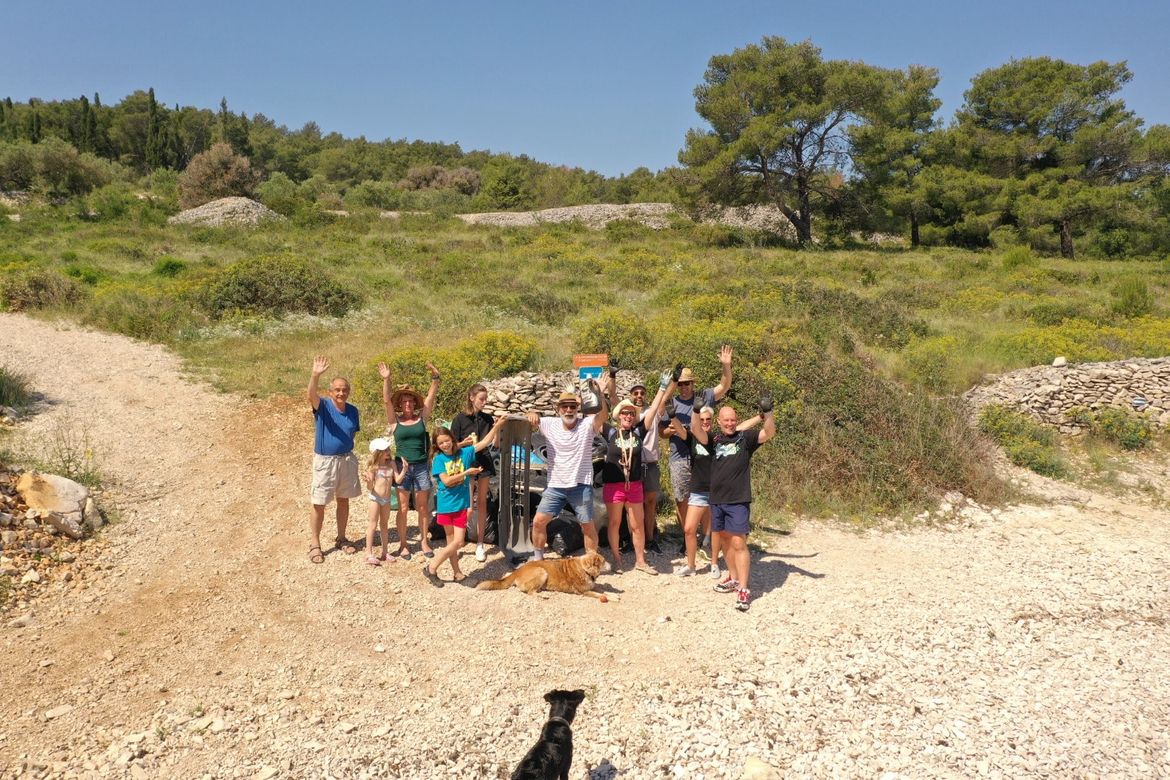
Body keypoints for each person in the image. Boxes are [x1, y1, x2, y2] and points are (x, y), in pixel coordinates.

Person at [525, 373, 611, 560]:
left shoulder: (587, 425)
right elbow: (533, 419)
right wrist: (531, 413)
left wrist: (600, 395)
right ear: (559, 409)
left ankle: (591, 561)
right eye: (565, 406)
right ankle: (538, 558)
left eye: (573, 406)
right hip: (556, 486)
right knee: (539, 522)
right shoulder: (549, 424)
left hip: (580, 486)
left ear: (577, 409)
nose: (569, 410)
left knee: (587, 526)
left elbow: (603, 415)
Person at [672, 406, 762, 577]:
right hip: (698, 490)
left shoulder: (717, 438)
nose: (705, 422)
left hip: (717, 491)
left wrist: (760, 416)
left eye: (708, 419)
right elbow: (681, 428)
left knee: (716, 531)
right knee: (689, 528)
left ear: (714, 422)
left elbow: (740, 427)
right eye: (702, 419)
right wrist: (671, 413)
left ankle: (714, 563)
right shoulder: (693, 437)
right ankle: (691, 565)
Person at [603, 370, 675, 574]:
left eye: (631, 413)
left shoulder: (638, 432)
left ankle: (641, 561)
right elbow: (597, 417)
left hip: (634, 485)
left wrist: (662, 388)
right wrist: (601, 394)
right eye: (625, 413)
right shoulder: (610, 432)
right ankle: (617, 560)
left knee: (638, 525)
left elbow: (653, 410)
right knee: (615, 524)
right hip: (614, 486)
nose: (628, 416)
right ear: (619, 416)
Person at [662, 345, 733, 551]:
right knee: (682, 498)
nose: (684, 387)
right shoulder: (671, 403)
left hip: (703, 456)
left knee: (707, 498)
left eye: (687, 383)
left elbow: (724, 385)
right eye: (681, 383)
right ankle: (688, 535)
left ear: (693, 383)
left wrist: (726, 366)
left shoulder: (703, 397)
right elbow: (661, 432)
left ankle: (707, 537)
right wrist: (673, 430)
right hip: (680, 456)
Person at [710, 393, 776, 612]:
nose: (729, 423)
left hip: (738, 500)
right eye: (725, 420)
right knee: (726, 542)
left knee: (739, 542)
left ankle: (744, 589)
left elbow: (769, 433)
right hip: (717, 500)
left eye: (732, 419)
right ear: (719, 422)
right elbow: (697, 431)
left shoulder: (744, 439)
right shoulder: (714, 440)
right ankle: (734, 578)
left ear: (736, 421)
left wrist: (767, 414)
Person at [423, 419, 506, 585]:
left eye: (447, 441)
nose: (445, 445)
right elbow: (446, 481)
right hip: (446, 506)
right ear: (437, 445)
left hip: (461, 506)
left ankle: (431, 567)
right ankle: (457, 574)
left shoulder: (465, 453)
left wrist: (497, 426)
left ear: (453, 440)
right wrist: (467, 472)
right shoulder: (438, 460)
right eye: (440, 443)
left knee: (458, 542)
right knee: (452, 541)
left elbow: (485, 442)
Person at [379, 361, 440, 559]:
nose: (407, 404)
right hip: (402, 467)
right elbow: (386, 401)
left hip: (422, 466)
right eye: (404, 401)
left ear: (415, 403)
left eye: (410, 401)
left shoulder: (422, 418)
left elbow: (431, 398)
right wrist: (387, 379)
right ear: (400, 404)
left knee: (423, 507)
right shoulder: (395, 421)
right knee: (403, 508)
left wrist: (435, 378)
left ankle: (424, 541)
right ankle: (404, 545)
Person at [306, 356, 362, 564]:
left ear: (348, 392)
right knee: (319, 502)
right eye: (337, 389)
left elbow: (352, 434)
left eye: (344, 389)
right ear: (330, 392)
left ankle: (341, 537)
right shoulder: (323, 407)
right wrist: (315, 375)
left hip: (346, 460)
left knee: (343, 499)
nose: (341, 393)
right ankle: (315, 543)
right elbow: (311, 394)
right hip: (326, 462)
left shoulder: (353, 411)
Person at [451, 383, 496, 563]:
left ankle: (480, 544)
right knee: (468, 505)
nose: (484, 403)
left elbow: (494, 444)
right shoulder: (459, 419)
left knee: (482, 502)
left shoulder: (488, 419)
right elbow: (451, 446)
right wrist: (463, 444)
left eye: (486, 399)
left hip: (484, 463)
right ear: (471, 398)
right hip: (466, 464)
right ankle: (457, 541)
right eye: (481, 399)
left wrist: (498, 428)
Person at [363, 438, 406, 566]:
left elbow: (397, 480)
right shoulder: (373, 467)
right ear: (378, 452)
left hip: (386, 499)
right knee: (372, 524)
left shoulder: (391, 464)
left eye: (388, 449)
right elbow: (370, 488)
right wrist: (369, 481)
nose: (388, 451)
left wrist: (404, 469)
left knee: (384, 525)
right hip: (375, 498)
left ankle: (385, 552)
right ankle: (368, 553)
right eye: (385, 450)